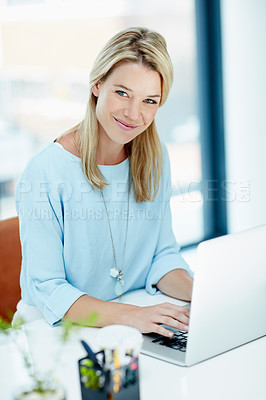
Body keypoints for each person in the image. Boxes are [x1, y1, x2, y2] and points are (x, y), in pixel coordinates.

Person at [15, 27, 193, 338]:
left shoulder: (155, 157)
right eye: (122, 93)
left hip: (126, 324)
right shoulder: (46, 171)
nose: (133, 114)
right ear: (97, 85)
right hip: (53, 334)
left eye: (150, 101)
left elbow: (162, 254)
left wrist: (204, 295)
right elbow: (48, 288)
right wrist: (133, 316)